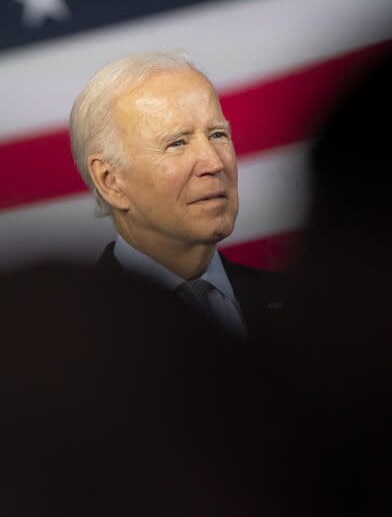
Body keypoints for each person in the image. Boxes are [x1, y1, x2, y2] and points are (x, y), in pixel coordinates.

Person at [69, 51, 287, 337]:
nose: (215, 163)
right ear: (111, 181)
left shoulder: (302, 305)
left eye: (217, 135)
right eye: (177, 143)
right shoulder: (69, 336)